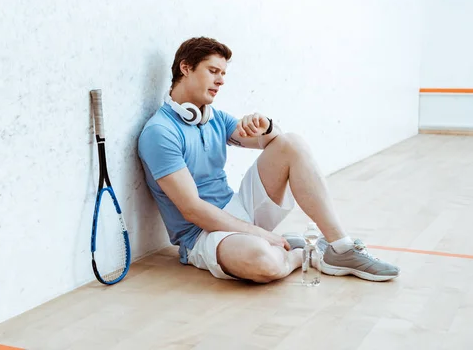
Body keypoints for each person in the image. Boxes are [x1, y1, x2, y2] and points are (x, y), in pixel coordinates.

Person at [137, 37, 400, 283]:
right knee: (264, 263)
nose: (221, 81)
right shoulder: (160, 132)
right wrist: (261, 234)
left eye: (223, 74)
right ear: (185, 68)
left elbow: (278, 145)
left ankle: (340, 248)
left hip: (237, 208)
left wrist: (267, 126)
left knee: (291, 142)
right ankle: (306, 253)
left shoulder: (213, 117)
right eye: (213, 71)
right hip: (202, 234)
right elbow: (192, 209)